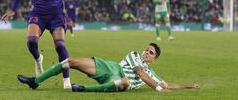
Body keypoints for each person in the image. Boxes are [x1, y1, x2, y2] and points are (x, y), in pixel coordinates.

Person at [17, 43, 200, 92]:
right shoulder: (134, 55)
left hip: (119, 80)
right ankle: (36, 81)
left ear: (155, 59)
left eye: (151, 53)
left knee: (125, 82)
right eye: (147, 49)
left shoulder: (152, 73)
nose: (146, 53)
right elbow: (141, 74)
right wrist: (158, 88)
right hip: (110, 67)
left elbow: (167, 85)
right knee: (70, 61)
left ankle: (84, 89)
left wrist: (189, 86)